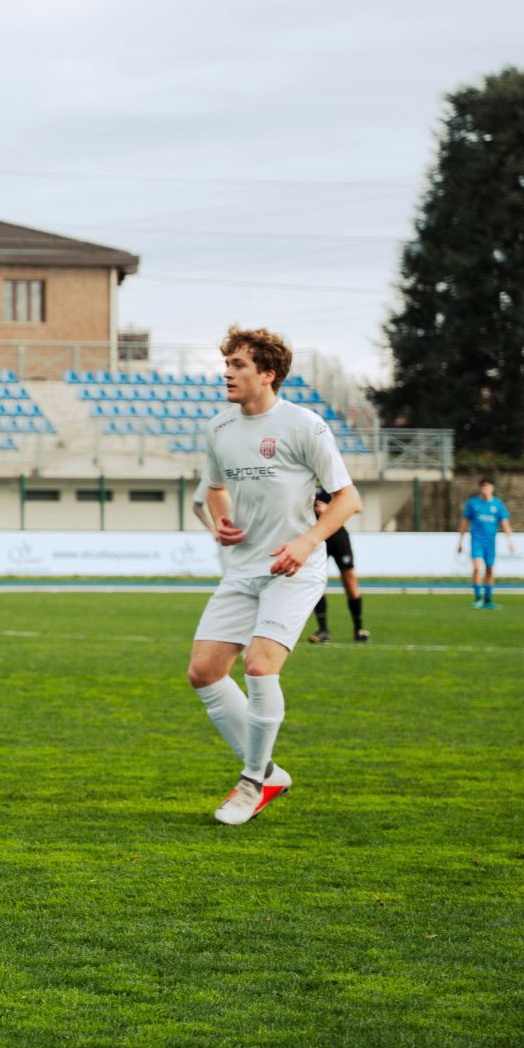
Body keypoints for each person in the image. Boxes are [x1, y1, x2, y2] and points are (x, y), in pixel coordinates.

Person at [186, 327, 359, 827]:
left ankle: (251, 782)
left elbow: (348, 498)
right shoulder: (219, 428)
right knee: (204, 672)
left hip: (294, 568)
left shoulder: (304, 425)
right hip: (243, 568)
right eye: (226, 364)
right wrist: (219, 520)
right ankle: (269, 772)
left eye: (238, 365)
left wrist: (307, 542)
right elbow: (214, 487)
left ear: (267, 374)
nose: (227, 373)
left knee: (260, 667)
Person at [308, 487, 368, 642]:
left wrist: (330, 509)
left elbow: (357, 506)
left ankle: (359, 629)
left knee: (349, 580)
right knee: (316, 580)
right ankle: (323, 630)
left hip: (337, 536)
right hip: (315, 535)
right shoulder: (306, 480)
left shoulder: (337, 480)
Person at [458, 479, 514, 609]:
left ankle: (488, 600)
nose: (485, 490)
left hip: (490, 543)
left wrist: (510, 541)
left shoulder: (498, 504)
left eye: (487, 487)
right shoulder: (473, 503)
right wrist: (460, 541)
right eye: (483, 487)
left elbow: (504, 523)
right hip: (476, 541)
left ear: (492, 488)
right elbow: (465, 522)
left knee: (489, 570)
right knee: (477, 568)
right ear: (480, 489)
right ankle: (478, 598)